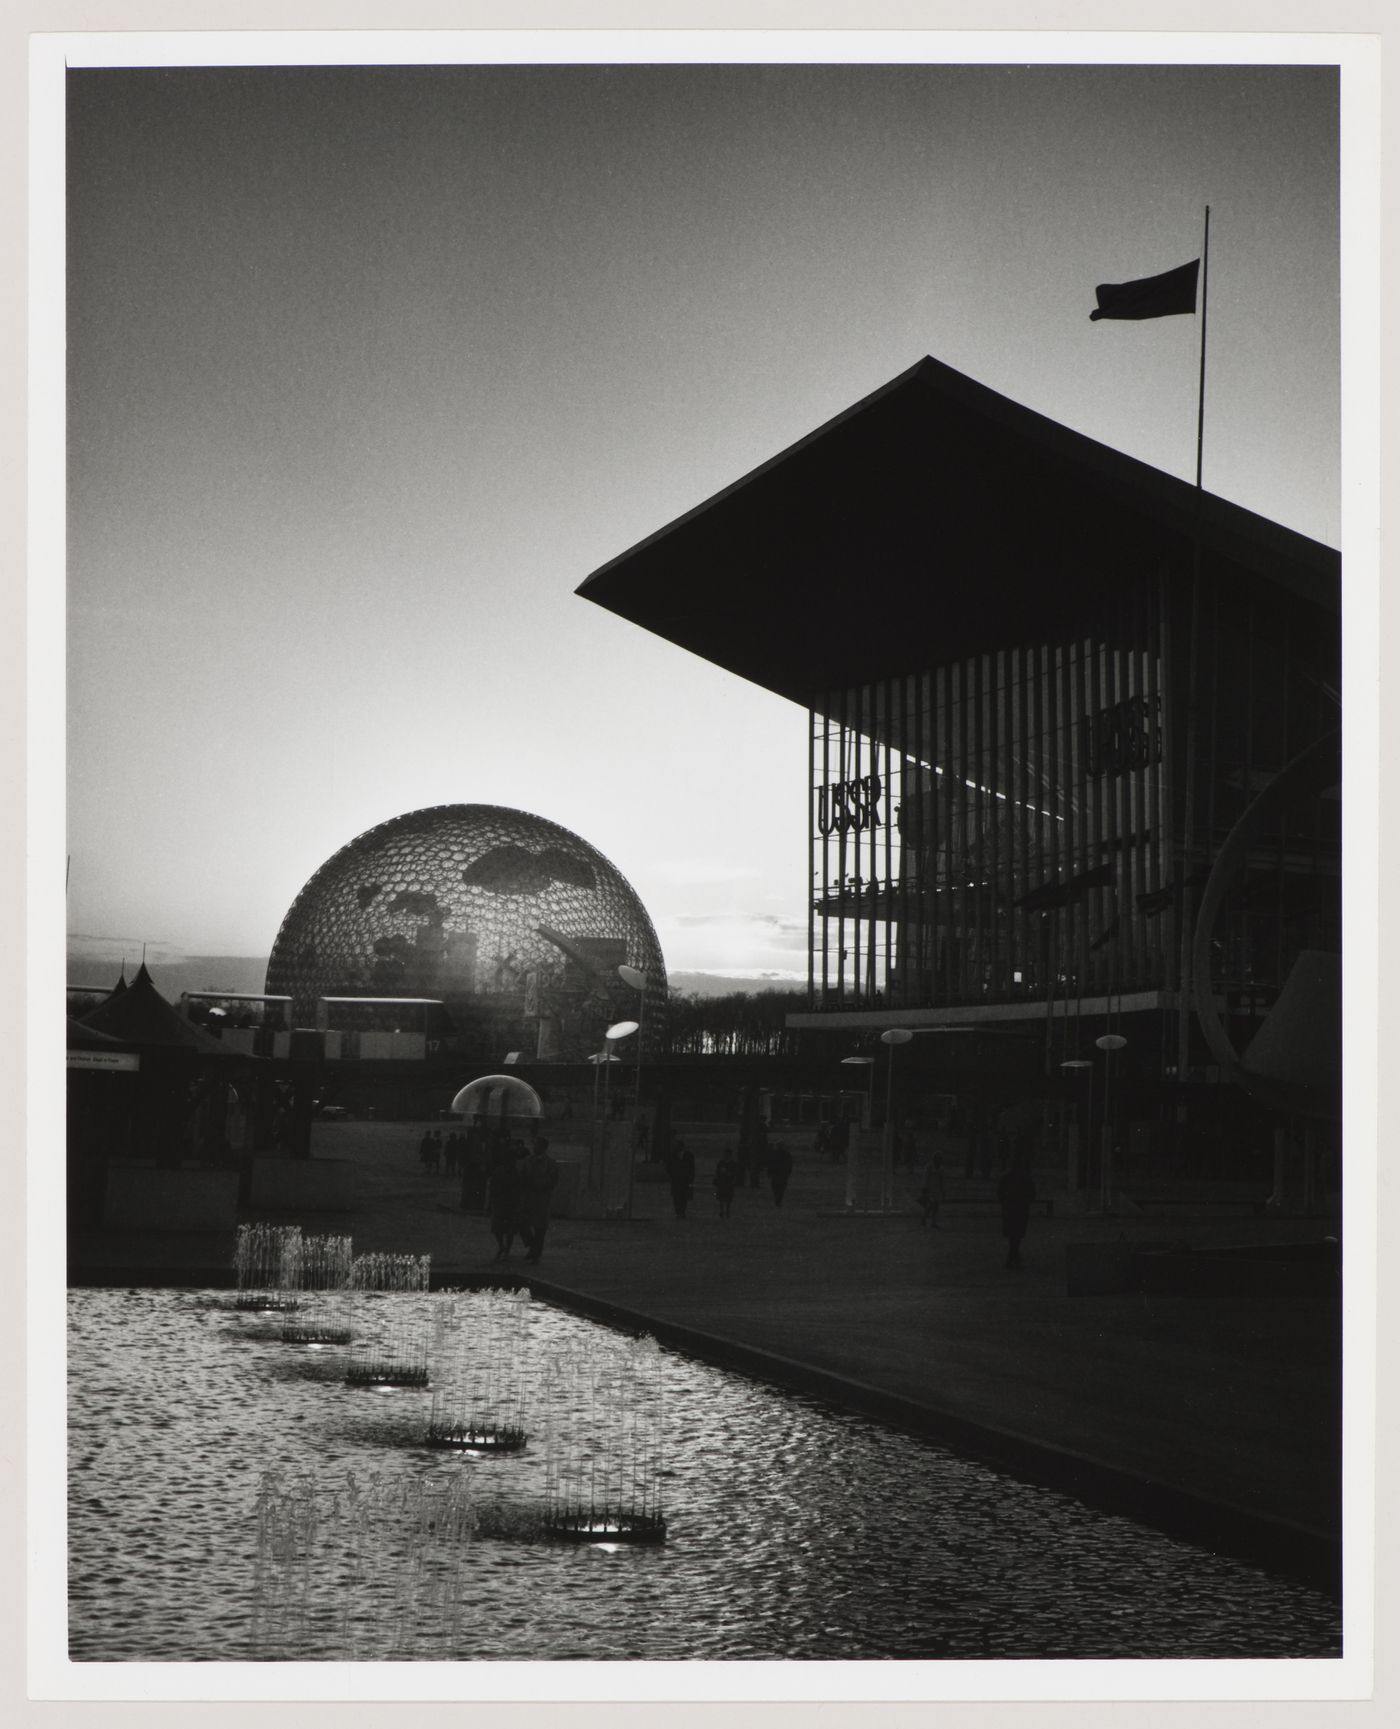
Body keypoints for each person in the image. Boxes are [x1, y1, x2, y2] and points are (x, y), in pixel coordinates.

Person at [518, 1136, 560, 1264]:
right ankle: (533, 1247)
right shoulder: (527, 1161)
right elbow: (521, 1175)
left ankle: (535, 1252)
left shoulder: (551, 1164)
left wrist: (536, 1183)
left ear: (544, 1147)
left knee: (540, 1228)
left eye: (537, 1145)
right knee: (522, 1223)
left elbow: (552, 1181)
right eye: (534, 1145)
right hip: (528, 1197)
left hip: (542, 1199)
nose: (534, 1147)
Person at [997, 1161, 1036, 1269]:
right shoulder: (1026, 1179)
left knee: (1012, 1233)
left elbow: (1000, 1193)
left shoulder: (1006, 1179)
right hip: (1021, 1208)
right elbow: (1032, 1194)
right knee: (1017, 1233)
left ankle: (1013, 1255)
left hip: (1009, 1208)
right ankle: (1013, 1255)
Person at [487, 1143, 523, 1260]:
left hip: (510, 1204)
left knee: (509, 1230)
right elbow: (492, 1188)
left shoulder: (516, 1172)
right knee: (499, 1229)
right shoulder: (499, 1171)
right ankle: (503, 1247)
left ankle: (506, 1249)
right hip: (501, 1203)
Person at [918, 1150, 945, 1228]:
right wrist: (924, 1188)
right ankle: (924, 1218)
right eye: (938, 1158)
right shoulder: (929, 1167)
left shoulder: (941, 1169)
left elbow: (943, 1181)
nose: (939, 1160)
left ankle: (933, 1222)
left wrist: (943, 1191)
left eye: (940, 1159)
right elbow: (925, 1178)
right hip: (930, 1189)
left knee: (936, 1206)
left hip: (938, 1190)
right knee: (930, 1205)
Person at [669, 1141, 695, 1219]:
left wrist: (690, 1178)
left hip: (684, 1179)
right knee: (676, 1196)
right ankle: (678, 1212)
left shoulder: (689, 1155)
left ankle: (682, 1212)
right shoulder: (672, 1155)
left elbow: (691, 1168)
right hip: (676, 1179)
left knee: (683, 1196)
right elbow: (669, 1167)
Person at [713, 1148, 739, 1218]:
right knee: (721, 1197)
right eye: (725, 1154)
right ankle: (721, 1210)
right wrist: (716, 1180)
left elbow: (735, 1173)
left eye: (727, 1154)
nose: (726, 1155)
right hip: (721, 1182)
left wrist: (730, 1176)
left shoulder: (733, 1164)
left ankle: (727, 1210)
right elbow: (717, 1172)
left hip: (729, 1183)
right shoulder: (721, 1163)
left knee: (728, 1198)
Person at [767, 1139, 794, 1208]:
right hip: (783, 1174)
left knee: (775, 1188)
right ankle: (778, 1200)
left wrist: (769, 1172)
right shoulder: (787, 1154)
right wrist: (788, 1172)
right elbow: (789, 1165)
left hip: (776, 1174)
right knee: (781, 1188)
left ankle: (777, 1199)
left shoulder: (773, 1154)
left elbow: (770, 1164)